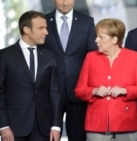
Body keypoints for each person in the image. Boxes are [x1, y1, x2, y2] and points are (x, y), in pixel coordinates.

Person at [74, 18, 137, 141]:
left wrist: (124, 90)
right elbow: (79, 90)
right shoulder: (91, 58)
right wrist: (94, 91)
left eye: (101, 37)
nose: (96, 41)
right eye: (97, 36)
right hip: (97, 125)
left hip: (127, 124)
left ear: (114, 39)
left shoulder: (135, 58)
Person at [0, 10, 63, 141]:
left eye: (45, 28)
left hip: (44, 128)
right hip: (14, 128)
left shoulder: (49, 56)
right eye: (41, 28)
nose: (46, 32)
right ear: (27, 30)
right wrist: (3, 125)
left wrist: (56, 125)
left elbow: (55, 93)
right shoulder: (5, 56)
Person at [44, 0, 96, 140]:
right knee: (48, 136)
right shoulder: (43, 22)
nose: (65, 3)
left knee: (79, 137)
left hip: (78, 91)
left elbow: (93, 56)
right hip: (50, 91)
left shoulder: (87, 22)